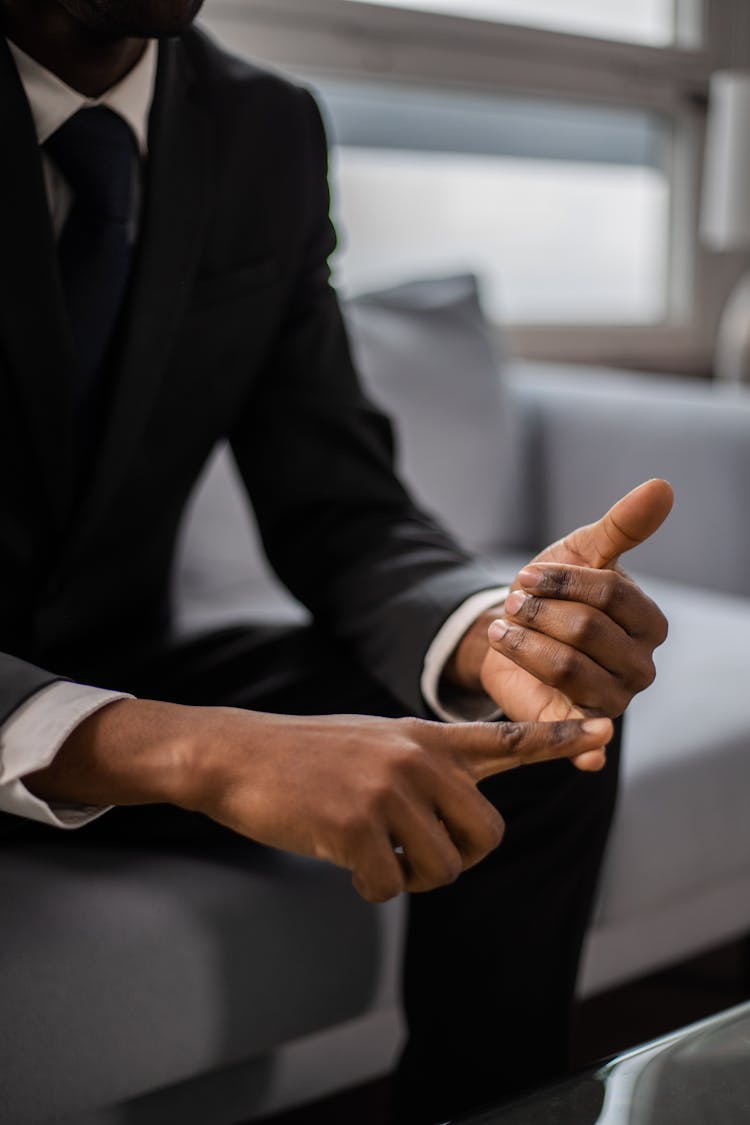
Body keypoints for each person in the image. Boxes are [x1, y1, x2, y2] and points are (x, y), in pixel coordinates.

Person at [0, 1, 672, 1120]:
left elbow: (339, 503)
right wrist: (186, 750)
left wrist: (488, 628)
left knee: (538, 729)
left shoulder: (264, 128)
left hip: (117, 661)